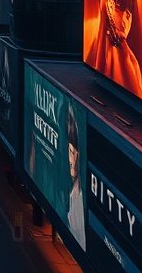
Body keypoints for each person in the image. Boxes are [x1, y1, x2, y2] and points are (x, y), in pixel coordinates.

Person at [84, 0, 142, 96]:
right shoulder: (108, 3)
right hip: (117, 53)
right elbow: (103, 34)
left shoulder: (125, 13)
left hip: (121, 52)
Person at [65, 106, 86, 248]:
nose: (71, 159)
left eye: (74, 152)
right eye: (69, 151)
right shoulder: (73, 195)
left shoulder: (80, 198)